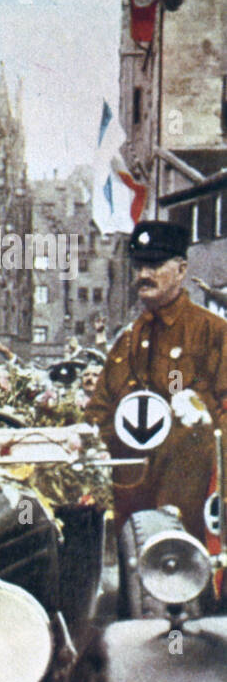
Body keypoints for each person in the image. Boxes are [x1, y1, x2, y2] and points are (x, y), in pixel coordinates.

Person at [83, 220, 227, 541]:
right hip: (130, 509)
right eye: (139, 266)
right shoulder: (127, 341)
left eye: (155, 265)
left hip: (190, 513)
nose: (143, 275)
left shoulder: (213, 332)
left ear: (181, 270)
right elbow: (98, 413)